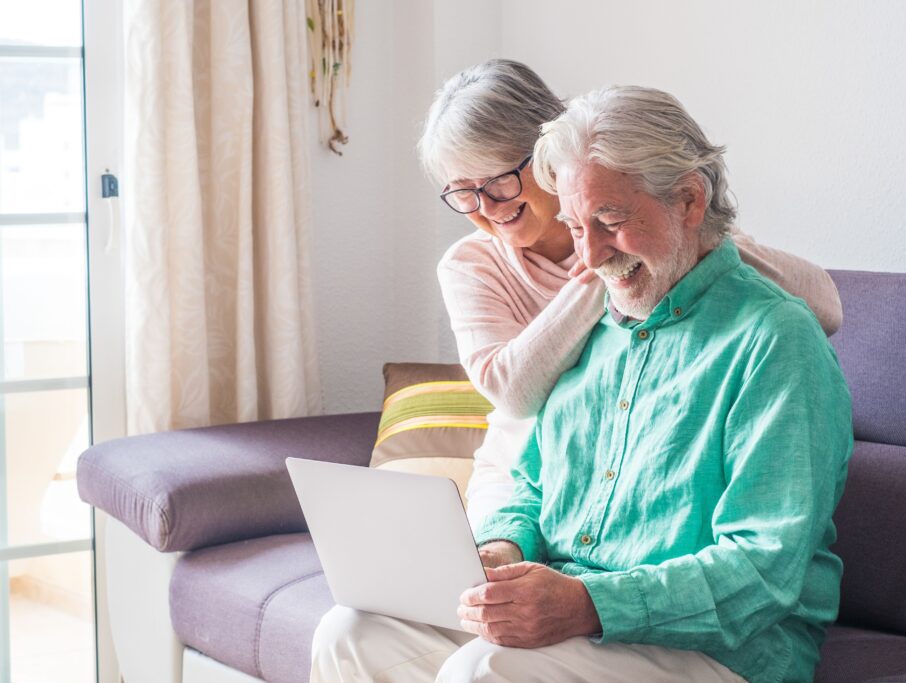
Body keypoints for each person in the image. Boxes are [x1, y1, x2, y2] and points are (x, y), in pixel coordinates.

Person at [310, 76, 852, 683]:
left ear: (690, 202)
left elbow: (763, 567)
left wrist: (588, 605)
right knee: (352, 633)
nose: (588, 261)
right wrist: (502, 550)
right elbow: (529, 480)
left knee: (486, 671)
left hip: (723, 649)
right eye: (573, 228)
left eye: (610, 220)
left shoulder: (774, 339)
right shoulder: (593, 324)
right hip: (584, 607)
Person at [424, 60, 842, 533]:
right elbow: (511, 394)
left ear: (547, 152)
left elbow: (826, 308)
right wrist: (608, 269)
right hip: (524, 467)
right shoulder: (471, 264)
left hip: (631, 463)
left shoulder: (654, 219)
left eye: (499, 180)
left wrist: (696, 242)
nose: (487, 207)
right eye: (462, 193)